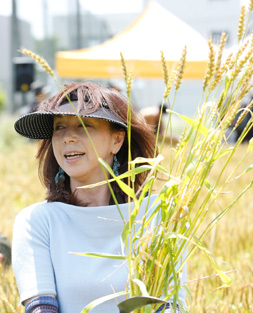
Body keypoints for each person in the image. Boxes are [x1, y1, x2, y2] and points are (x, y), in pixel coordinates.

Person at [12, 82, 184, 313]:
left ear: (117, 140)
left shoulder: (157, 215)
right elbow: (41, 308)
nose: (68, 138)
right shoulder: (37, 221)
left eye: (84, 125)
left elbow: (171, 305)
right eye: (59, 127)